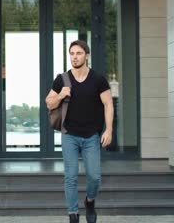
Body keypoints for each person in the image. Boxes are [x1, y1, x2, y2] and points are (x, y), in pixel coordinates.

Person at [45, 40, 113, 223]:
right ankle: (73, 214)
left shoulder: (98, 79)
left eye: (79, 53)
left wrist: (109, 130)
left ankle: (90, 201)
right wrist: (60, 95)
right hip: (69, 135)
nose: (74, 57)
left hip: (91, 136)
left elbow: (108, 104)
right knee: (71, 177)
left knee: (94, 177)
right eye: (72, 54)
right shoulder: (62, 79)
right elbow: (49, 103)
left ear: (87, 56)